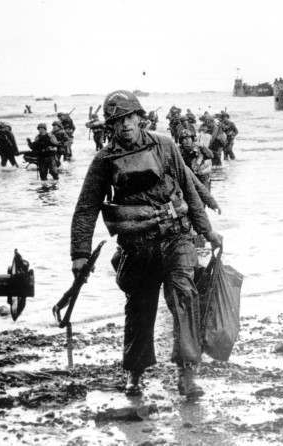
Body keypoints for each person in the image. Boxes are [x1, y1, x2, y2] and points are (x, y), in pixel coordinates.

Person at [70, 90, 222, 398]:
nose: (124, 125)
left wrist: (207, 231)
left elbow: (190, 191)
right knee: (139, 308)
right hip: (136, 246)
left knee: (184, 297)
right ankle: (135, 373)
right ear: (109, 127)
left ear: (140, 118)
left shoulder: (165, 145)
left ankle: (187, 373)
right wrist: (79, 254)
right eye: (117, 121)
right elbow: (87, 207)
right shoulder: (104, 160)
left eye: (129, 117)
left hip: (175, 238)